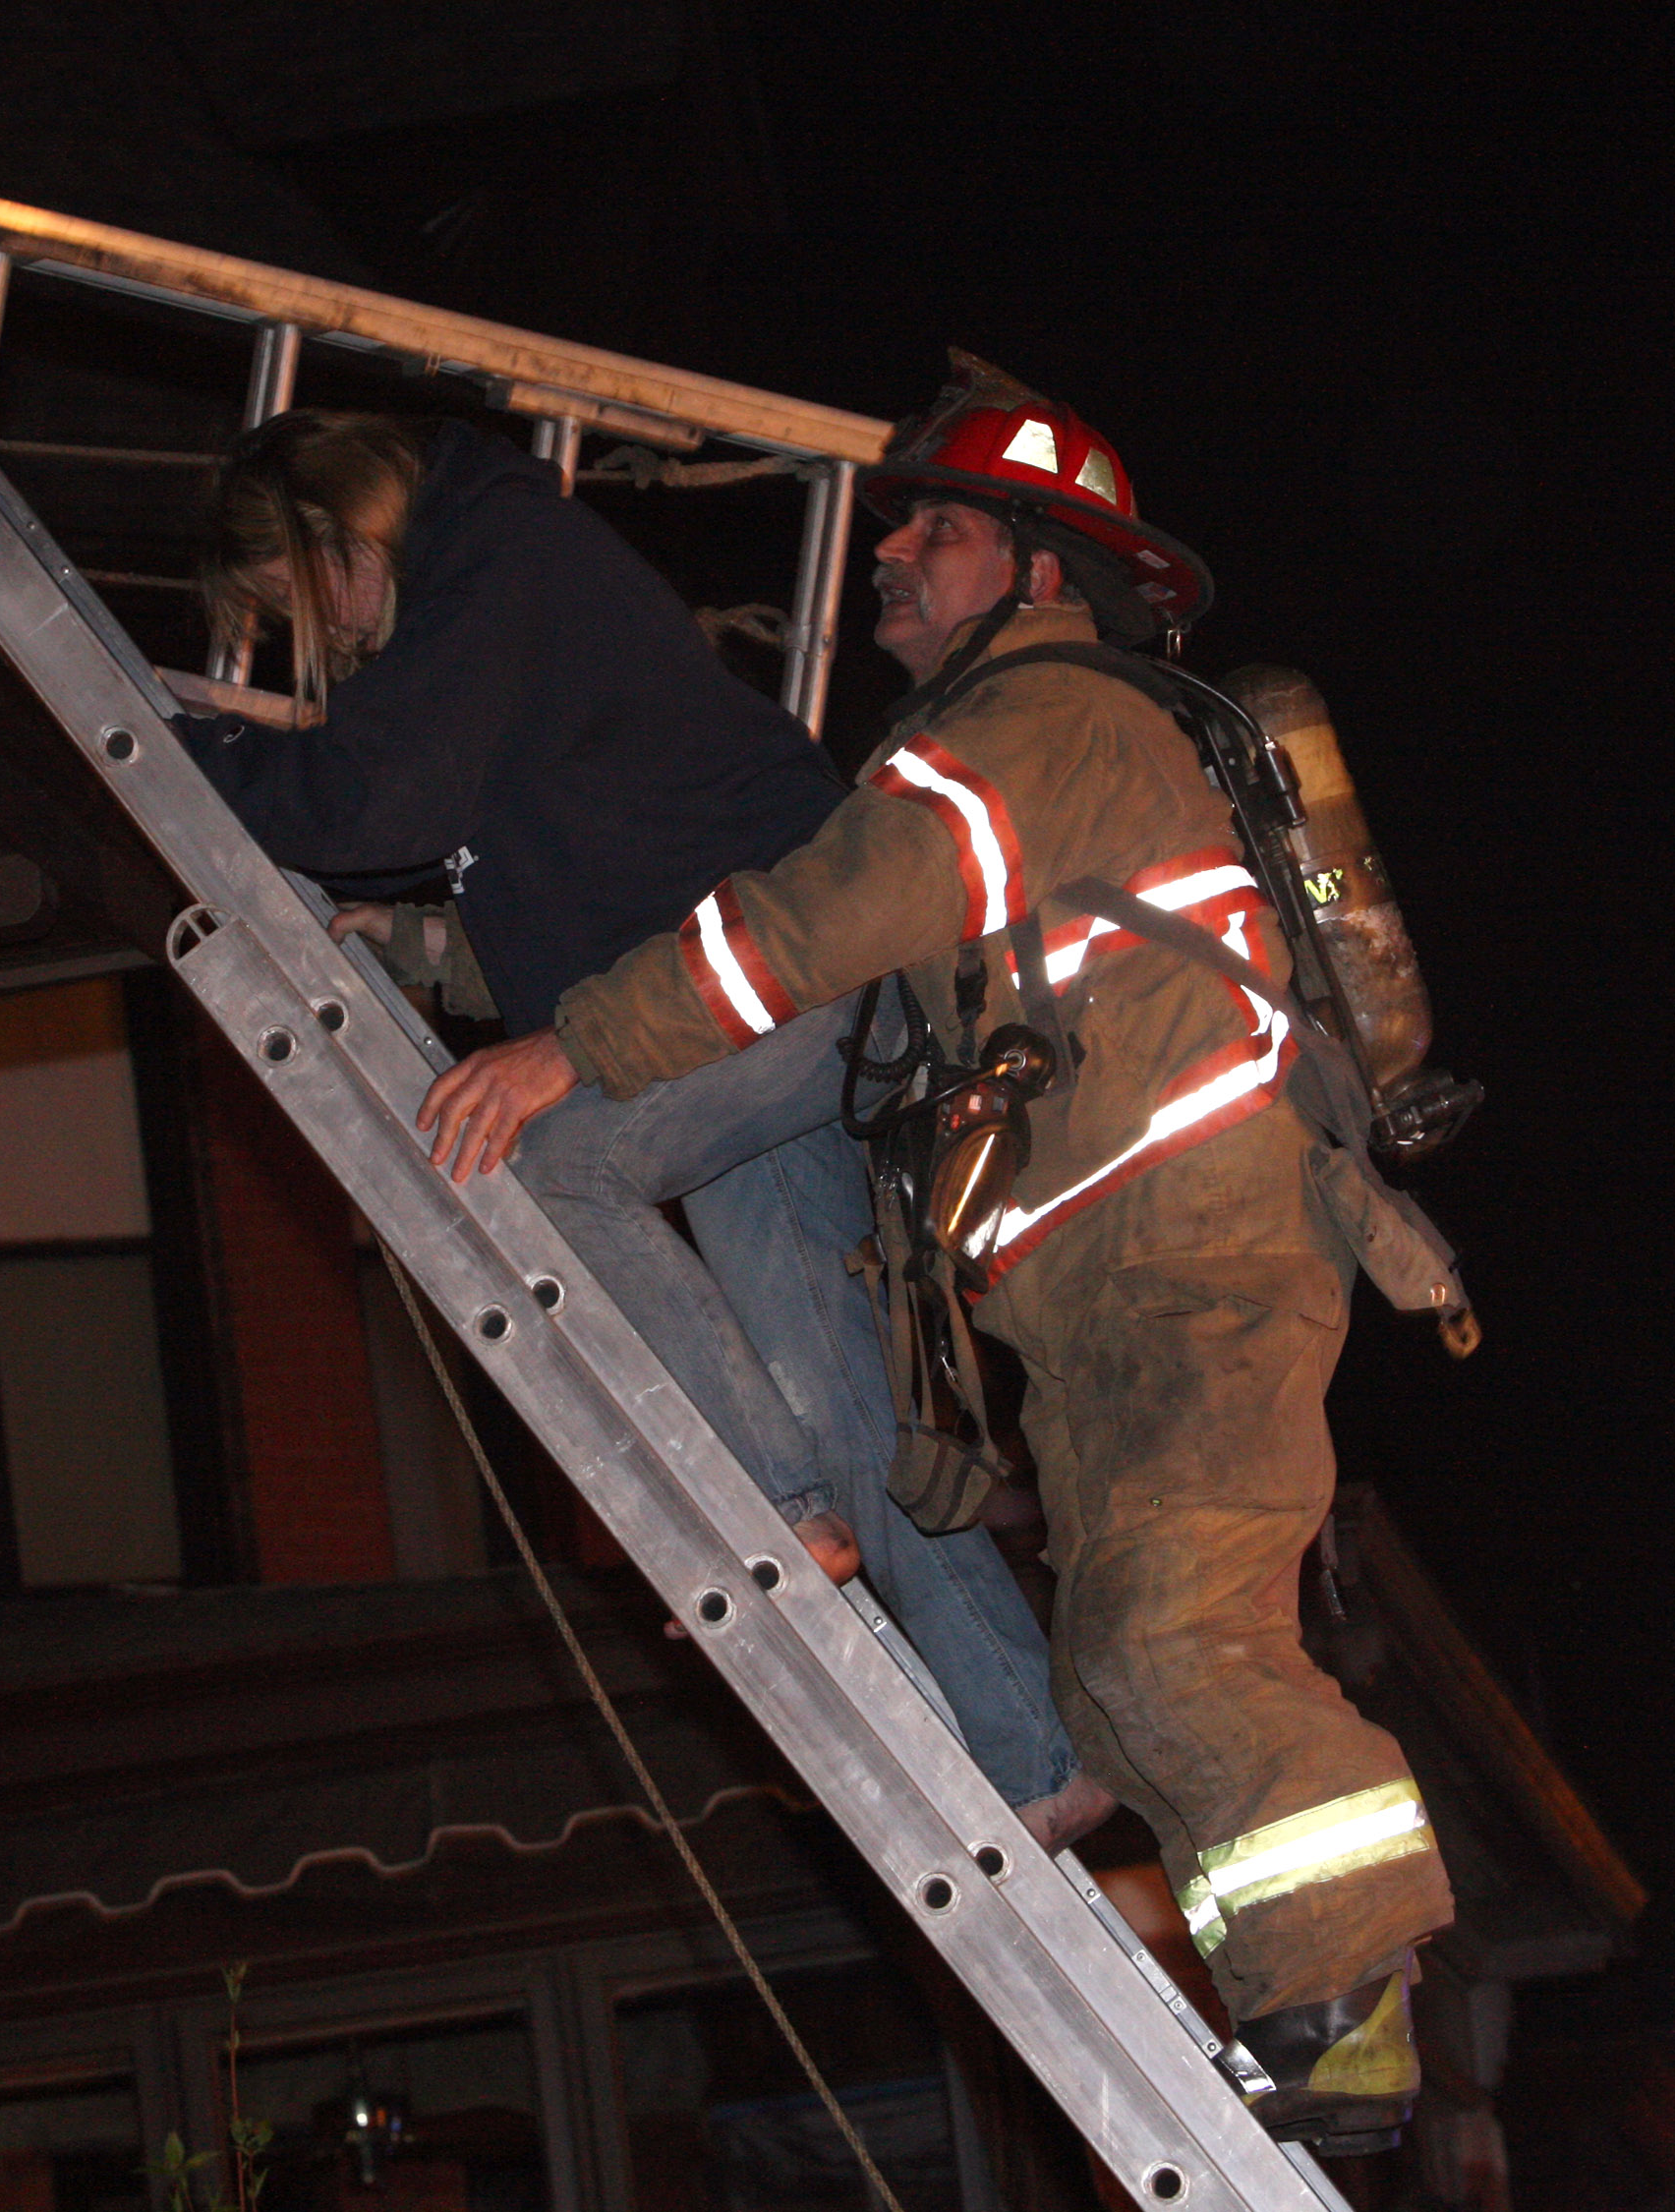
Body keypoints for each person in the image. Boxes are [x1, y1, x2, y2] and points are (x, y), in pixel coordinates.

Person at [425, 355, 1455, 2152]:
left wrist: (567, 1049)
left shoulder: (1041, 730)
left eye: (940, 526)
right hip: (1115, 1294)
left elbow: (806, 934)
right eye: (897, 519)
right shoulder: (1024, 745)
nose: (889, 550)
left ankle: (1349, 2007)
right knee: (1123, 1675)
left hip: (1193, 1256)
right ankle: (1302, 2013)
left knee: (1168, 1631)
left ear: (1042, 573)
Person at [170, 408, 1096, 1847]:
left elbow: (376, 793)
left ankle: (778, 1507)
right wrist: (425, 945)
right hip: (747, 996)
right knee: (842, 1386)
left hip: (773, 981)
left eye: (313, 601)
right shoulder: (507, 578)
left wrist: (200, 754)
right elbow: (586, 870)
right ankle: (1033, 1748)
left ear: (338, 534)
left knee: (539, 1161)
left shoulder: (491, 550)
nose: (336, 639)